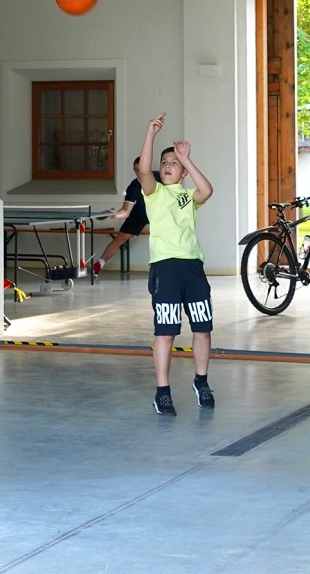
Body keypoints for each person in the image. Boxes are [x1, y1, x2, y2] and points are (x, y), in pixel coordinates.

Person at [136, 113, 215, 415]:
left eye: (174, 163)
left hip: (192, 267)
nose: (168, 166)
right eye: (165, 162)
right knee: (165, 332)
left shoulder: (188, 196)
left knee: (203, 329)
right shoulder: (154, 194)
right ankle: (162, 391)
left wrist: (188, 159)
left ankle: (201, 381)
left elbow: (206, 190)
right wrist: (150, 132)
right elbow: (144, 170)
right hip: (165, 268)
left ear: (182, 172)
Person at [89, 157, 148, 275]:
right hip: (139, 213)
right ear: (134, 170)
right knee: (120, 238)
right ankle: (99, 263)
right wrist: (116, 214)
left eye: (141, 169)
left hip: (159, 212)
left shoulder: (159, 178)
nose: (139, 173)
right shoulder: (133, 187)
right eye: (137, 170)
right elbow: (125, 210)